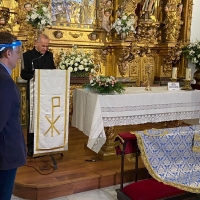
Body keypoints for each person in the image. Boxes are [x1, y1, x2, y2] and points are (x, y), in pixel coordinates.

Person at [0, 32, 26, 200]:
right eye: (17, 53)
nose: (18, 58)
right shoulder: (5, 82)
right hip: (5, 153)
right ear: (8, 53)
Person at [21, 34, 56, 157]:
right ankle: (31, 146)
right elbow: (23, 75)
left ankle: (45, 143)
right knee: (33, 120)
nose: (45, 49)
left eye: (47, 46)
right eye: (43, 46)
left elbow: (53, 70)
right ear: (36, 43)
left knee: (46, 118)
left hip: (47, 92)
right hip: (33, 92)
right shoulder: (27, 56)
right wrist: (35, 77)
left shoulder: (49, 55)